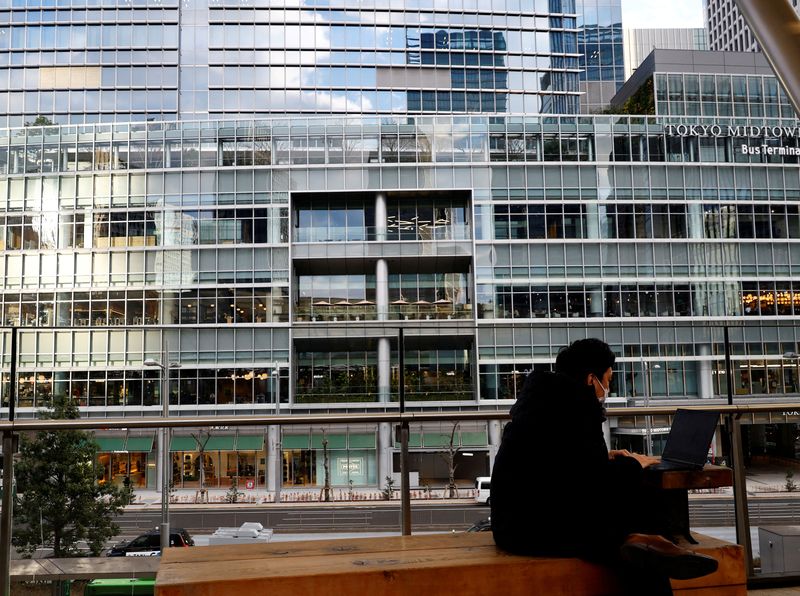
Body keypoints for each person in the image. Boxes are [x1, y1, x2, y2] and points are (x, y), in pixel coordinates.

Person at [490, 338, 718, 594]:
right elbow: (592, 481)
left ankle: (649, 542)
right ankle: (654, 542)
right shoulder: (576, 408)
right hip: (532, 529)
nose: (607, 387)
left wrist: (608, 457)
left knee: (631, 546)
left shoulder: (544, 401)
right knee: (633, 524)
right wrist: (632, 463)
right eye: (607, 379)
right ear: (591, 379)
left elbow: (561, 465)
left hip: (515, 522)